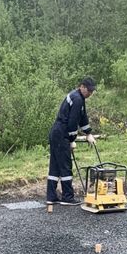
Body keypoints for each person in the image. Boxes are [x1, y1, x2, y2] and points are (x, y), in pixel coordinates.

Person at [47, 77, 97, 205]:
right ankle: (67, 197)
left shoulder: (79, 97)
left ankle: (51, 197)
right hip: (61, 134)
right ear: (82, 87)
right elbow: (73, 121)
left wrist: (88, 133)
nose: (90, 93)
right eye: (88, 90)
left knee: (55, 166)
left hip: (56, 133)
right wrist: (71, 139)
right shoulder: (77, 99)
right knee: (65, 166)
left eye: (92, 91)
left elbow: (83, 118)